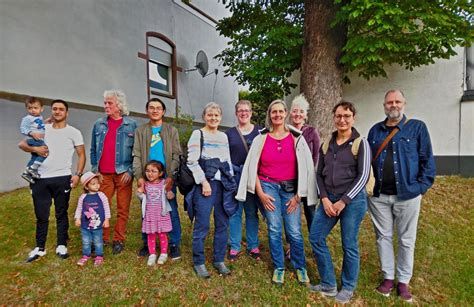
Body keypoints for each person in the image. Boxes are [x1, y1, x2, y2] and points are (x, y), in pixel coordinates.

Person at [236, 99, 317, 286]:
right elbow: (252, 168)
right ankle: (279, 267)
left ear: (286, 113)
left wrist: (299, 195)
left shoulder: (296, 137)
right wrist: (261, 194)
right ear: (269, 115)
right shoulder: (261, 138)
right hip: (267, 187)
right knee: (274, 228)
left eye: (281, 111)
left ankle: (300, 266)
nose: (277, 115)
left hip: (290, 189)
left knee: (294, 230)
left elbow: (306, 168)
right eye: (274, 112)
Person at [368, 89, 435, 302]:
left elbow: (427, 160)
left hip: (407, 195)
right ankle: (388, 277)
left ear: (404, 103)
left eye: (397, 101)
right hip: (379, 196)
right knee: (383, 237)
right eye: (389, 102)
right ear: (384, 105)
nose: (393, 105)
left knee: (406, 239)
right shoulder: (375, 131)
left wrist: (420, 187)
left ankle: (404, 280)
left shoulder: (417, 128)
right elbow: (367, 162)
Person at [309, 101, 371, 304]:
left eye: (346, 116)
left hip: (352, 202)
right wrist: (325, 199)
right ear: (333, 118)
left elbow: (363, 177)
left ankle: (348, 287)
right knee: (316, 238)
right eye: (338, 116)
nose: (342, 120)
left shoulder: (361, 143)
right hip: (329, 199)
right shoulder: (327, 144)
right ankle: (328, 284)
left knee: (349, 244)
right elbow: (319, 175)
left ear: (353, 118)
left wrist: (343, 201)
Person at [19, 99, 86, 262]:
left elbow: (81, 155)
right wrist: (35, 149)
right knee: (41, 214)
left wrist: (77, 174)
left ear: (66, 113)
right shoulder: (43, 129)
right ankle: (39, 248)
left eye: (61, 109)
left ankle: (61, 245)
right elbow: (22, 144)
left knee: (61, 213)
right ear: (51, 111)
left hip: (62, 177)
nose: (57, 111)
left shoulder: (74, 132)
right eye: (54, 109)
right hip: (40, 178)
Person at [186, 102, 236, 279]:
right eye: (210, 115)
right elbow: (191, 161)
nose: (213, 118)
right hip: (205, 186)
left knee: (223, 223)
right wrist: (204, 182)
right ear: (204, 117)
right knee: (203, 224)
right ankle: (199, 261)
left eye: (216, 115)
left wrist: (231, 181)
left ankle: (218, 259)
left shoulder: (223, 136)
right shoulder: (197, 134)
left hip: (223, 186)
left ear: (220, 117)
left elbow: (227, 160)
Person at [132, 98, 182, 260]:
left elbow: (176, 155)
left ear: (163, 111)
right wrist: (139, 177)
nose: (155, 110)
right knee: (147, 210)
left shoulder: (171, 130)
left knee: (170, 209)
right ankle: (148, 243)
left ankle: (173, 244)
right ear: (147, 111)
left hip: (165, 177)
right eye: (151, 108)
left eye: (158, 108)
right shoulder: (141, 131)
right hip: (147, 177)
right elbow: (137, 155)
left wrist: (171, 176)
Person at [90, 90, 137, 254]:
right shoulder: (99, 124)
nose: (106, 106)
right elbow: (93, 149)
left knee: (123, 209)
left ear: (119, 105)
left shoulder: (131, 125)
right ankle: (101, 239)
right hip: (104, 175)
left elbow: (136, 151)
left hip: (123, 173)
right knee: (101, 207)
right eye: (105, 103)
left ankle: (118, 239)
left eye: (109, 103)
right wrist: (96, 170)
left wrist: (130, 171)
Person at [226, 100, 262, 262]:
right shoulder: (229, 133)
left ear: (251, 112)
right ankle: (234, 245)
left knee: (251, 212)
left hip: (253, 177)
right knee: (235, 212)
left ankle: (253, 244)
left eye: (246, 110)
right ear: (236, 113)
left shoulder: (260, 132)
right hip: (235, 177)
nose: (243, 113)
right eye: (240, 110)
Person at [289, 94, 320, 230]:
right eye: (295, 111)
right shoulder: (286, 132)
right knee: (291, 212)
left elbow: (315, 156)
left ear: (306, 114)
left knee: (310, 212)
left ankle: (315, 245)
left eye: (301, 111)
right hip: (289, 179)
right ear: (290, 113)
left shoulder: (312, 132)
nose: (298, 114)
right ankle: (291, 245)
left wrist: (307, 175)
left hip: (307, 180)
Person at [137, 160, 174, 266]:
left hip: (161, 214)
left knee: (163, 234)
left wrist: (170, 194)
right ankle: (152, 254)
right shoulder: (146, 185)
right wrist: (139, 192)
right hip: (150, 215)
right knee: (151, 235)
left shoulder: (164, 184)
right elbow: (141, 197)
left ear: (160, 173)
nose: (150, 174)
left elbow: (169, 194)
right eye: (147, 171)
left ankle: (163, 253)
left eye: (154, 171)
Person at [74, 172, 111, 266]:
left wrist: (107, 219)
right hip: (85, 225)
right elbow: (79, 208)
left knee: (98, 241)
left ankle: (99, 256)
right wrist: (77, 218)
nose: (97, 185)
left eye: (98, 183)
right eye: (93, 184)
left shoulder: (101, 195)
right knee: (86, 241)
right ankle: (86, 255)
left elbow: (106, 208)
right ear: (86, 187)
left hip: (98, 224)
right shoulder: (83, 197)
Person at [19, 97, 50, 183]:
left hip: (37, 139)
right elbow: (23, 129)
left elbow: (38, 126)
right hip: (33, 139)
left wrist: (45, 122)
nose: (33, 110)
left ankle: (26, 173)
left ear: (42, 109)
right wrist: (31, 133)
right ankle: (33, 168)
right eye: (30, 108)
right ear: (27, 109)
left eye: (35, 108)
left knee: (35, 156)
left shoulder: (39, 117)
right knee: (45, 151)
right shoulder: (27, 118)